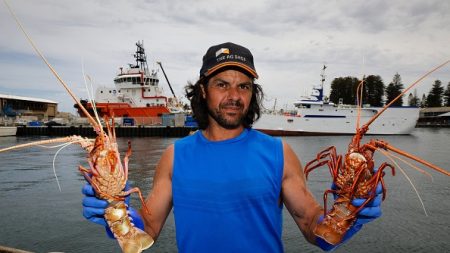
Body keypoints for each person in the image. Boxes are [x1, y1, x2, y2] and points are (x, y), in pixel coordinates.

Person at [82, 42, 383, 252]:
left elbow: (310, 225)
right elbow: (148, 227)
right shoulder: (174, 156)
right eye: (222, 84)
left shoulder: (279, 152)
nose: (234, 96)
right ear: (203, 90)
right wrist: (118, 215)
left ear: (253, 93)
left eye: (244, 86)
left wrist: (348, 214)